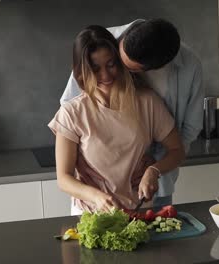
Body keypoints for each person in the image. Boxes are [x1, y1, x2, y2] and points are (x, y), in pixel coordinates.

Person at [60, 19, 204, 208]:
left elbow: (185, 136)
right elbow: (73, 109)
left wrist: (154, 169)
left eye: (114, 65)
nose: (107, 76)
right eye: (96, 69)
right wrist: (95, 189)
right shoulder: (97, 43)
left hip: (147, 194)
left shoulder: (150, 100)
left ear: (148, 70)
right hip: (90, 205)